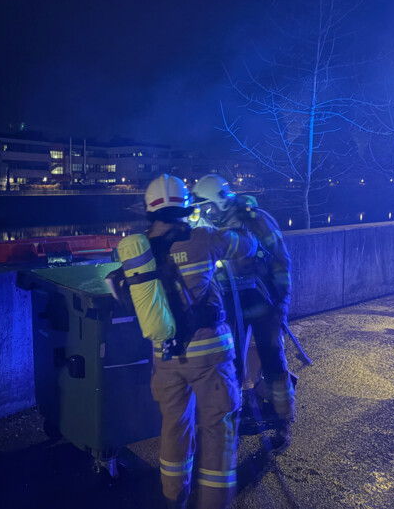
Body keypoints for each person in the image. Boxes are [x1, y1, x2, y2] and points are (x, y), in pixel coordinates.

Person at [110, 174, 256, 509]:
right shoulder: (203, 238)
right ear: (186, 208)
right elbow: (247, 246)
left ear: (150, 211)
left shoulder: (142, 250)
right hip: (211, 358)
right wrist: (237, 212)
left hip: (166, 358)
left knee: (174, 430)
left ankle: (173, 500)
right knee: (218, 434)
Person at [191, 173, 295, 452]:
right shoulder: (206, 225)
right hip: (227, 304)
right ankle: (231, 422)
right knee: (230, 366)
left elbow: (281, 260)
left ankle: (283, 421)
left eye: (208, 207)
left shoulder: (256, 220)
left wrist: (281, 304)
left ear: (220, 201)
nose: (205, 213)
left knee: (273, 360)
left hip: (262, 300)